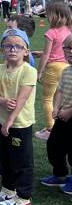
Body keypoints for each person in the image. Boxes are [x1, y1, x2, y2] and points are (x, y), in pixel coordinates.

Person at [0, 29, 36, 205]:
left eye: (18, 46)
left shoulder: (29, 71)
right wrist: (2, 101)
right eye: (8, 46)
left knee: (21, 161)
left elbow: (22, 99)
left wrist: (10, 121)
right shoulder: (0, 69)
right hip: (2, 122)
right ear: (2, 50)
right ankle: (8, 190)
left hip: (19, 124)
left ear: (26, 51)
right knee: (5, 158)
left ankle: (23, 198)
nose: (13, 49)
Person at [40, 33, 72, 195]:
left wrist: (69, 111)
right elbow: (59, 90)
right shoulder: (66, 71)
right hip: (62, 116)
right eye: (67, 48)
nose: (70, 52)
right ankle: (60, 175)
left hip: (69, 114)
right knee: (54, 145)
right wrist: (56, 107)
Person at [35, 0, 72, 141]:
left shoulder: (51, 32)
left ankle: (50, 128)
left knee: (48, 99)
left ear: (55, 15)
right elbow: (59, 51)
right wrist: (40, 53)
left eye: (48, 13)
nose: (46, 16)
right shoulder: (69, 30)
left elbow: (47, 54)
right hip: (66, 67)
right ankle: (58, 125)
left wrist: (39, 71)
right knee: (60, 98)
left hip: (53, 68)